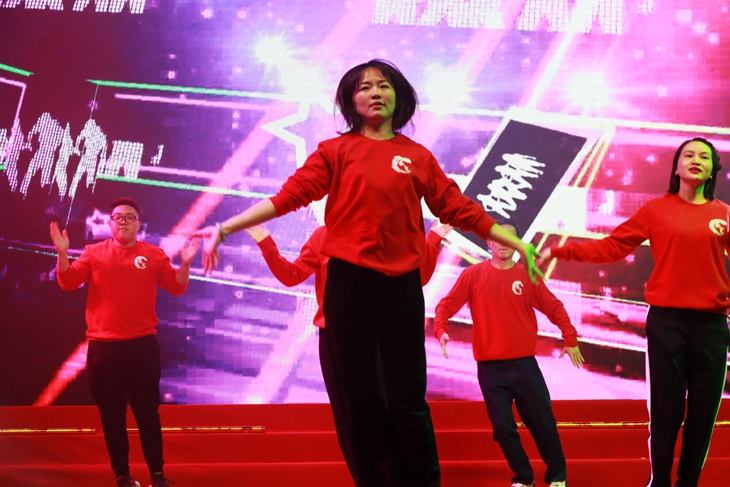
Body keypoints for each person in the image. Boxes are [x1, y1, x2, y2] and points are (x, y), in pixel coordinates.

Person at [196, 59, 540, 487]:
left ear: (398, 96)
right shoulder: (334, 151)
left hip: (401, 290)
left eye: (383, 85)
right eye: (364, 87)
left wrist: (517, 243)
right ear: (350, 101)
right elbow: (287, 198)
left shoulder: (417, 157)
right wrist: (225, 228)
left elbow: (459, 209)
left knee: (409, 400)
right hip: (349, 286)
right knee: (360, 400)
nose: (375, 92)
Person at [536, 137, 730, 487]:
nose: (696, 160)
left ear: (713, 169)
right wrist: (562, 251)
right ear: (676, 167)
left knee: (703, 414)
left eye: (704, 156)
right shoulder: (656, 210)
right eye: (688, 155)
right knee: (666, 413)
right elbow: (612, 247)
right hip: (667, 323)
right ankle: (659, 482)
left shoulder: (723, 214)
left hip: (712, 326)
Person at [244, 220, 452, 484]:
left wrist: (433, 239)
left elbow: (416, 277)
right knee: (352, 420)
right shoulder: (323, 236)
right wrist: (265, 241)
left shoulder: (386, 230)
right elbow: (291, 275)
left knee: (391, 410)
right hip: (335, 336)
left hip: (379, 335)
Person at [50, 197, 199, 487]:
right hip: (104, 348)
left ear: (139, 224)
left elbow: (176, 287)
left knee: (147, 412)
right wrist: (62, 254)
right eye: (117, 217)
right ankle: (122, 475)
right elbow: (68, 282)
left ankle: (157, 474)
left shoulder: (153, 255)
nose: (123, 222)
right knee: (112, 415)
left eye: (129, 217)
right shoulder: (94, 253)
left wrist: (185, 264)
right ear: (110, 223)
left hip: (142, 346)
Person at [435, 223, 583, 487]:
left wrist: (570, 337)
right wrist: (441, 329)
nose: (503, 244)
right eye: (498, 238)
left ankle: (557, 476)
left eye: (510, 239)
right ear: (489, 242)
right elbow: (446, 305)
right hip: (490, 370)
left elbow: (554, 307)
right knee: (503, 428)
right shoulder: (473, 275)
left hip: (524, 366)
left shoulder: (527, 276)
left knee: (542, 423)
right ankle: (524, 478)